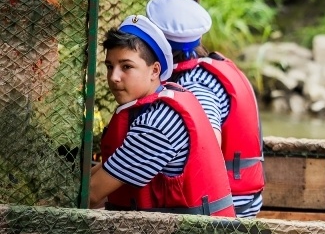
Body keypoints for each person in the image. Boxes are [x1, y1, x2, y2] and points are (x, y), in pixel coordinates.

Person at [90, 15, 235, 217]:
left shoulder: (157, 125)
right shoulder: (159, 100)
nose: (114, 77)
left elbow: (91, 193)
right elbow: (109, 168)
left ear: (154, 70)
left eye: (126, 67)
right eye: (109, 66)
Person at [146, 0, 265, 218]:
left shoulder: (196, 85)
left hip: (224, 209)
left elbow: (206, 150)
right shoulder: (202, 69)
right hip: (240, 200)